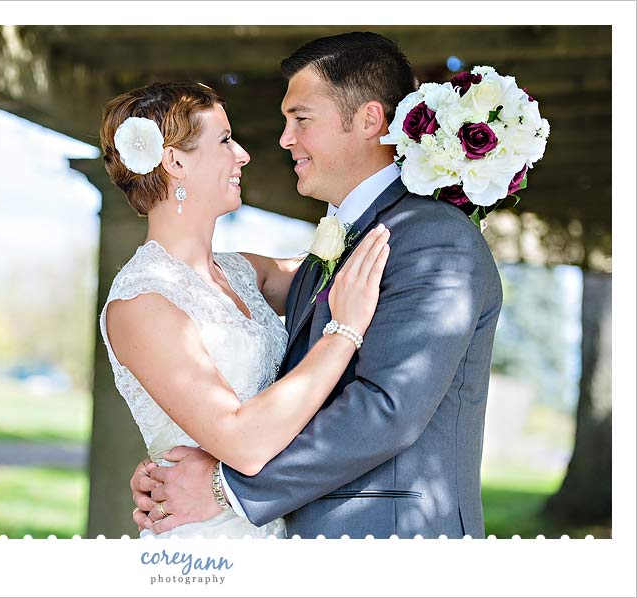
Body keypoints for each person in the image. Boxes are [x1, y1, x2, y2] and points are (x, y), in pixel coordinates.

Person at [130, 32, 503, 539]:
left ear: (369, 121)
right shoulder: (337, 245)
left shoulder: (434, 240)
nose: (283, 139)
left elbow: (386, 409)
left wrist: (223, 487)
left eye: (301, 119)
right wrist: (173, 457)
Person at [98, 81, 391, 538]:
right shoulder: (141, 303)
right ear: (175, 162)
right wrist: (342, 332)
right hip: (205, 541)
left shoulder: (243, 272)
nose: (243, 154)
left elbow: (349, 267)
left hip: (275, 527)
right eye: (224, 140)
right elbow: (244, 443)